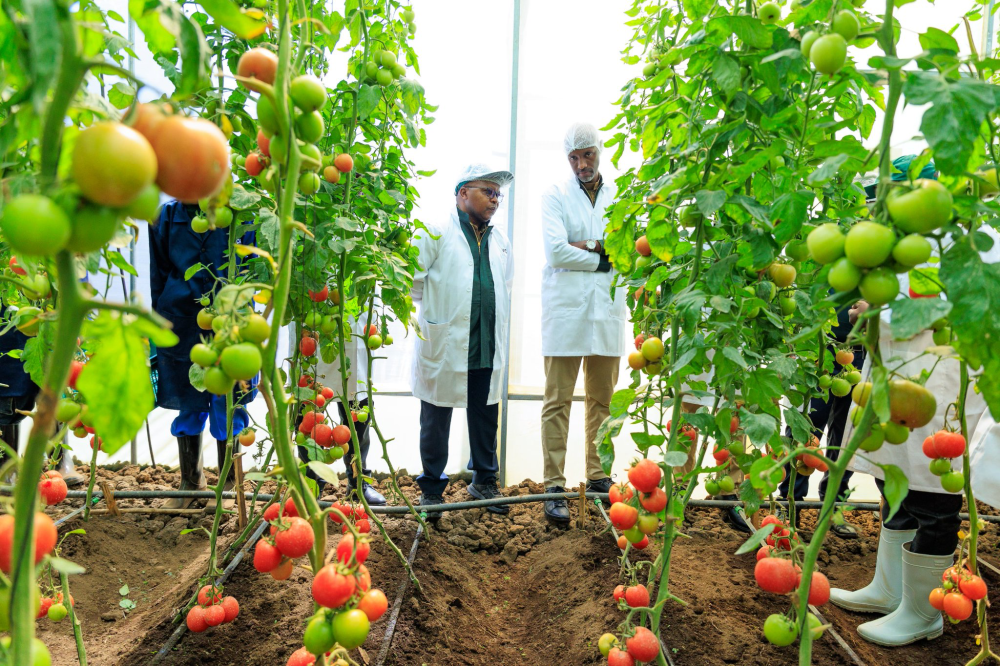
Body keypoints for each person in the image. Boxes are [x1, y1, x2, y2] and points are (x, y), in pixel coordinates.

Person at [830, 161, 999, 646]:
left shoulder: (976, 237)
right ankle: (890, 590)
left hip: (940, 387)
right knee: (895, 484)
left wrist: (881, 311)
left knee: (932, 497)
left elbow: (948, 304)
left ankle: (924, 613)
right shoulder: (913, 239)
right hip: (901, 380)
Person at [411, 164, 514, 519]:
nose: (495, 200)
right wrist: (440, 311)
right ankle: (431, 490)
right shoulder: (435, 231)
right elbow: (414, 281)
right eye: (488, 191)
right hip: (447, 340)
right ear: (463, 193)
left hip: (485, 342)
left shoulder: (501, 242)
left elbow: (505, 286)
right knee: (436, 417)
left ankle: (484, 481)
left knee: (486, 415)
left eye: (498, 194)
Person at [539, 123, 625, 524]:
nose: (581, 164)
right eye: (573, 157)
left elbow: (626, 249)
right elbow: (556, 252)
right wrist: (602, 255)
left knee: (602, 402)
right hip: (565, 313)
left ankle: (598, 476)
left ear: (599, 151)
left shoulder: (619, 195)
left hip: (606, 311)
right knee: (557, 401)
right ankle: (553, 486)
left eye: (587, 155)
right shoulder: (555, 195)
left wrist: (586, 246)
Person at [148, 200, 256, 510]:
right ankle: (191, 482)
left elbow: (252, 269)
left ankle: (231, 483)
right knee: (187, 398)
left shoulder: (241, 213)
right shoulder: (165, 216)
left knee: (229, 399)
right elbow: (159, 271)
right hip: (180, 319)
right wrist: (159, 319)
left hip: (231, 320)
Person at [778, 298, 867, 538]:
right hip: (816, 350)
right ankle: (789, 503)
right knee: (804, 429)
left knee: (847, 435)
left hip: (859, 353)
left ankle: (834, 508)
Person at [296, 316, 385, 505]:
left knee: (357, 412)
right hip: (312, 319)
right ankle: (309, 484)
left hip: (353, 325)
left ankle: (357, 482)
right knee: (307, 413)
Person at [0, 305, 81, 485]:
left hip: (44, 309)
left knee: (52, 384)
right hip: (9, 315)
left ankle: (59, 461)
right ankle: (6, 466)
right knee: (8, 381)